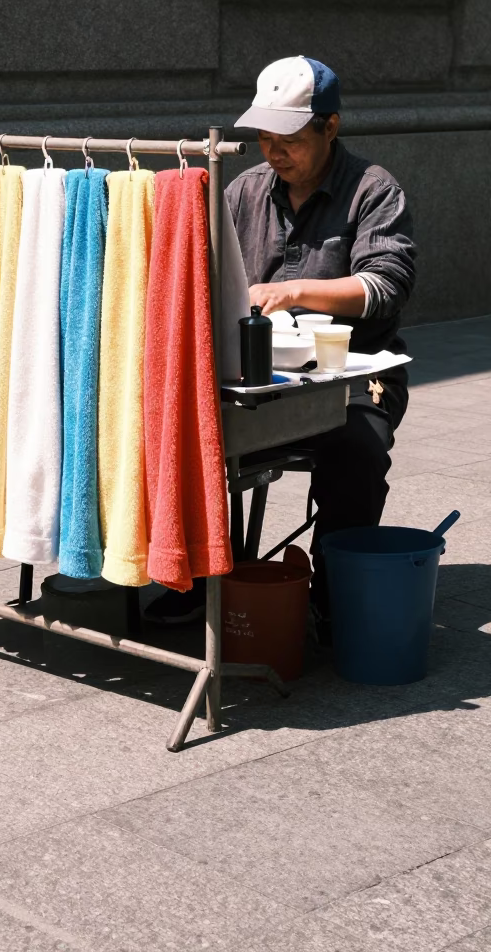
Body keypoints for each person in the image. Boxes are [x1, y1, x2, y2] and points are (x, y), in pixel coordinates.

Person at [145, 55, 416, 637]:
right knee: (175, 426)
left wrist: (294, 290)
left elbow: (384, 287)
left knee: (358, 446)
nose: (274, 152)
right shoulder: (243, 190)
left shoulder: (373, 190)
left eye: (288, 138)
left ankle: (333, 586)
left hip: (354, 373)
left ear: (330, 127)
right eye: (264, 138)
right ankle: (195, 573)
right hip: (257, 374)